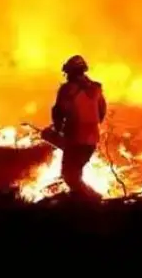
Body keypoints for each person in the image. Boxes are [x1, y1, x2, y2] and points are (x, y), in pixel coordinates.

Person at [51, 54, 107, 199]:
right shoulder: (96, 89)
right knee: (75, 174)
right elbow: (101, 112)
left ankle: (93, 200)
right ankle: (82, 201)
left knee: (70, 176)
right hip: (92, 140)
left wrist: (58, 130)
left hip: (75, 139)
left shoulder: (67, 90)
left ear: (69, 72)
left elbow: (58, 112)